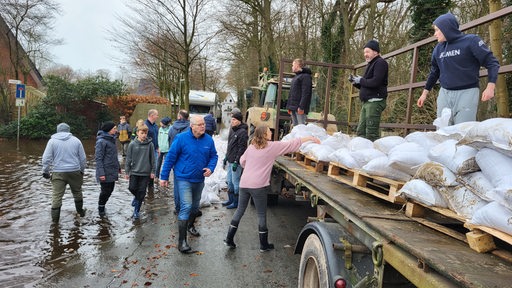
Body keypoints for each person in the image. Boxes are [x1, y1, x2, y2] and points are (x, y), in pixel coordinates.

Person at [223, 125, 319, 251]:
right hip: (259, 186)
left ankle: (229, 239)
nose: (271, 133)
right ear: (264, 134)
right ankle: (263, 245)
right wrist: (310, 138)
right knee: (261, 215)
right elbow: (292, 144)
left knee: (239, 211)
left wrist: (253, 166)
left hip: (244, 183)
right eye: (269, 131)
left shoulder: (251, 147)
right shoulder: (272, 147)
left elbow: (242, 161)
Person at [417, 12, 500, 125]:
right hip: (445, 93)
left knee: (462, 131)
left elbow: (492, 63)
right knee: (442, 130)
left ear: (446, 29)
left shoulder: (471, 41)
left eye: (437, 30)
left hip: (467, 92)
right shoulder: (438, 49)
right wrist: (424, 93)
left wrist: (490, 87)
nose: (434, 34)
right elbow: (434, 72)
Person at [159, 115, 218, 253]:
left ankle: (191, 225)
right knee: (186, 206)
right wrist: (164, 176)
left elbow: (214, 156)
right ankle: (182, 242)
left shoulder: (208, 140)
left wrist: (210, 167)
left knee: (195, 207)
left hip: (199, 179)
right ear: (192, 126)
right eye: (199, 124)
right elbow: (170, 158)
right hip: (183, 177)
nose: (203, 126)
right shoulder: (181, 139)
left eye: (203, 124)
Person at [41, 123, 87, 223]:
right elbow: (83, 159)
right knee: (77, 192)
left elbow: (46, 158)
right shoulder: (76, 140)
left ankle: (55, 222)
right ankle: (81, 212)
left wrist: (45, 171)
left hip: (58, 172)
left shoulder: (52, 141)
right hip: (75, 171)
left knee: (56, 196)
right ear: (68, 130)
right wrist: (82, 171)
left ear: (58, 130)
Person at [349, 40, 388, 141]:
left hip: (375, 102)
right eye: (364, 52)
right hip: (367, 102)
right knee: (361, 131)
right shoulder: (370, 64)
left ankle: (375, 154)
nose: (365, 54)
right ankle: (363, 153)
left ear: (375, 52)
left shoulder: (380, 63)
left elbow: (375, 82)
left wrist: (361, 80)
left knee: (371, 132)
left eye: (367, 52)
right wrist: (355, 82)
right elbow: (367, 85)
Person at [125, 124, 156, 220]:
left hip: (145, 173)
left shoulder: (150, 144)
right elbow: (128, 159)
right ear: (137, 133)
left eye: (145, 133)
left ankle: (136, 211)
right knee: (132, 188)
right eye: (142, 133)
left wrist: (153, 171)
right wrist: (127, 172)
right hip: (134, 171)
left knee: (142, 192)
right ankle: (136, 198)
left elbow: (153, 159)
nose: (144, 135)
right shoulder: (132, 144)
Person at [222, 111, 248, 209]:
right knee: (229, 181)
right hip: (230, 160)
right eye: (231, 119)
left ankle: (236, 202)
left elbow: (242, 149)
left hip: (236, 162)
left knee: (235, 182)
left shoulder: (243, 132)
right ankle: (231, 199)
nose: (232, 121)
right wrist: (226, 157)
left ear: (239, 120)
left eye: (234, 119)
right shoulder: (233, 130)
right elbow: (230, 146)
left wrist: (237, 161)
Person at [167, 109, 190, 215]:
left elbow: (169, 144)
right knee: (188, 185)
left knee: (177, 185)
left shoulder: (172, 129)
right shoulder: (190, 128)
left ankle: (178, 207)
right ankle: (187, 207)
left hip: (175, 160)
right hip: (187, 160)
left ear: (179, 117)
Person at [95, 121, 120, 217]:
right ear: (109, 130)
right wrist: (101, 173)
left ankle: (103, 205)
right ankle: (101, 207)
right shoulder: (101, 141)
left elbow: (114, 156)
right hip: (104, 171)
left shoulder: (112, 139)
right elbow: (98, 158)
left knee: (110, 190)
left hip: (112, 169)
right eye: (114, 128)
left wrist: (118, 166)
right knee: (105, 191)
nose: (116, 130)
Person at [286, 58, 312, 126]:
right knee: (295, 128)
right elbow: (292, 93)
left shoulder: (306, 77)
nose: (292, 67)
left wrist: (301, 107)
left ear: (297, 65)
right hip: (294, 108)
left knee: (301, 128)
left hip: (299, 108)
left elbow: (306, 93)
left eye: (293, 65)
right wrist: (290, 107)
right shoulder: (297, 77)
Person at [144, 109, 159, 193]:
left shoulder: (155, 126)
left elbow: (157, 137)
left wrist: (158, 146)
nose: (157, 116)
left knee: (154, 166)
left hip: (155, 149)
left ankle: (151, 186)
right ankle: (146, 184)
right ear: (152, 115)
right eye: (156, 115)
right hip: (147, 149)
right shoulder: (145, 125)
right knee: (148, 167)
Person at [156, 116, 171, 182]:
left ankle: (165, 178)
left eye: (161, 122)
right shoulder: (160, 129)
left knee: (166, 164)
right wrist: (158, 147)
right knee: (158, 163)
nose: (160, 123)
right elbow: (158, 138)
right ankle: (156, 177)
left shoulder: (171, 129)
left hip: (167, 150)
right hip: (160, 149)